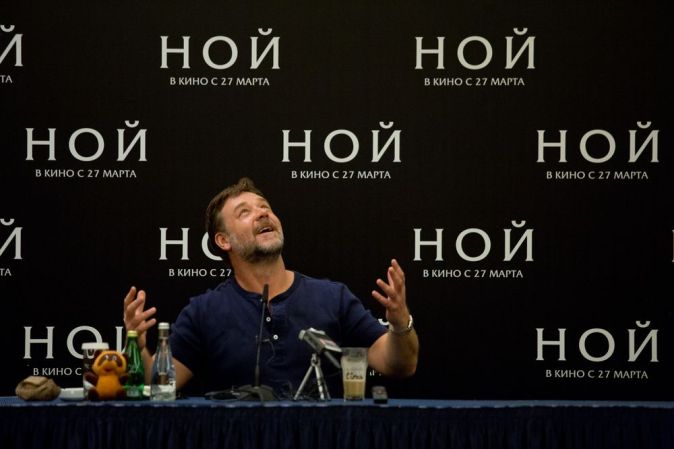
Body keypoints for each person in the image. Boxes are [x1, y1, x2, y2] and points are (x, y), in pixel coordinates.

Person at [123, 177, 418, 398]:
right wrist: (137, 345)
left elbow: (399, 365)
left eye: (265, 207)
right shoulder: (204, 311)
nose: (263, 214)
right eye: (244, 212)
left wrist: (400, 323)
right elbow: (157, 383)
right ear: (223, 241)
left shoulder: (333, 297)